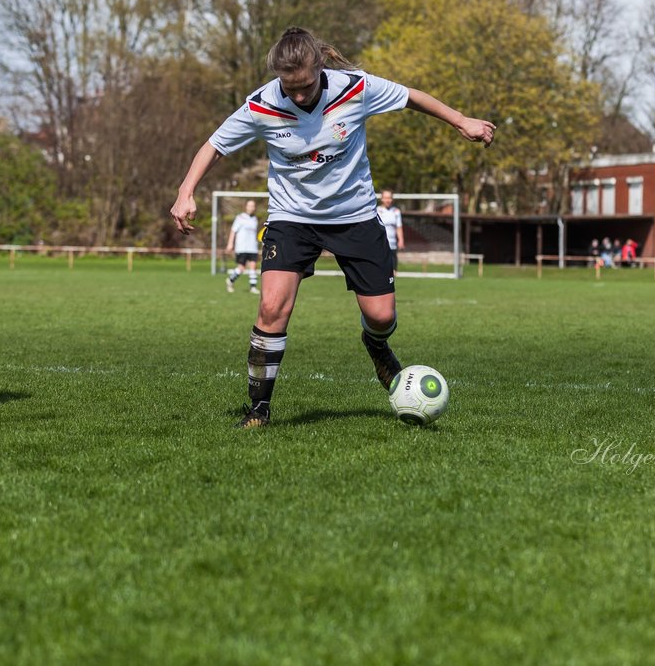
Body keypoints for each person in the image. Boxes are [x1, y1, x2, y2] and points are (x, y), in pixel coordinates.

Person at [170, 26, 495, 428]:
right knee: (271, 307)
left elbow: (412, 97)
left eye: (305, 86)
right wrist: (186, 191)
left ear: (321, 67)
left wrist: (461, 121)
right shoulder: (262, 104)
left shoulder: (355, 88)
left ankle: (375, 346)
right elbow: (215, 144)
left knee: (380, 316)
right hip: (292, 219)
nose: (299, 96)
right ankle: (258, 410)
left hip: (354, 216)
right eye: (290, 88)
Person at [225, 199, 261, 294]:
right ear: (246, 207)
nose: (251, 208)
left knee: (253, 267)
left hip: (252, 247)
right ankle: (230, 280)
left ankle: (253, 287)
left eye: (253, 206)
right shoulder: (240, 218)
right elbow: (233, 231)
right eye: (249, 205)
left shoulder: (255, 219)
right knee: (241, 268)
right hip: (242, 247)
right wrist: (230, 244)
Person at [376, 188, 405, 275]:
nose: (388, 200)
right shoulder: (376, 210)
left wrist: (401, 240)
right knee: (380, 269)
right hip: (380, 244)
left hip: (392, 244)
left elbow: (398, 227)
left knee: (393, 272)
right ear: (381, 198)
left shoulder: (396, 211)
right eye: (385, 198)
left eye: (389, 198)